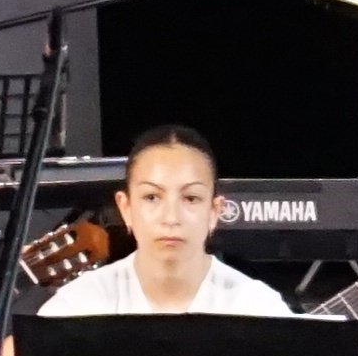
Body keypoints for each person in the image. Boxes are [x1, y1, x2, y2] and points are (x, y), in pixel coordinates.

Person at [32, 127, 288, 319]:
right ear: (126, 208)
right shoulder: (80, 305)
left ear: (214, 211)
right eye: (152, 197)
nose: (171, 218)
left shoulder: (257, 307)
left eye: (191, 198)